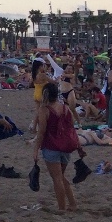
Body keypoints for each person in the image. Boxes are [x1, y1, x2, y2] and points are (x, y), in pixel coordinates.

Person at [34, 82, 80, 212]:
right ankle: (72, 203)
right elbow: (71, 129)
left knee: (57, 179)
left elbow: (41, 132)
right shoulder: (65, 108)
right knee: (61, 176)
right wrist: (79, 146)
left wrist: (35, 149)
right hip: (65, 146)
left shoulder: (44, 110)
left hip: (51, 146)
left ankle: (61, 207)